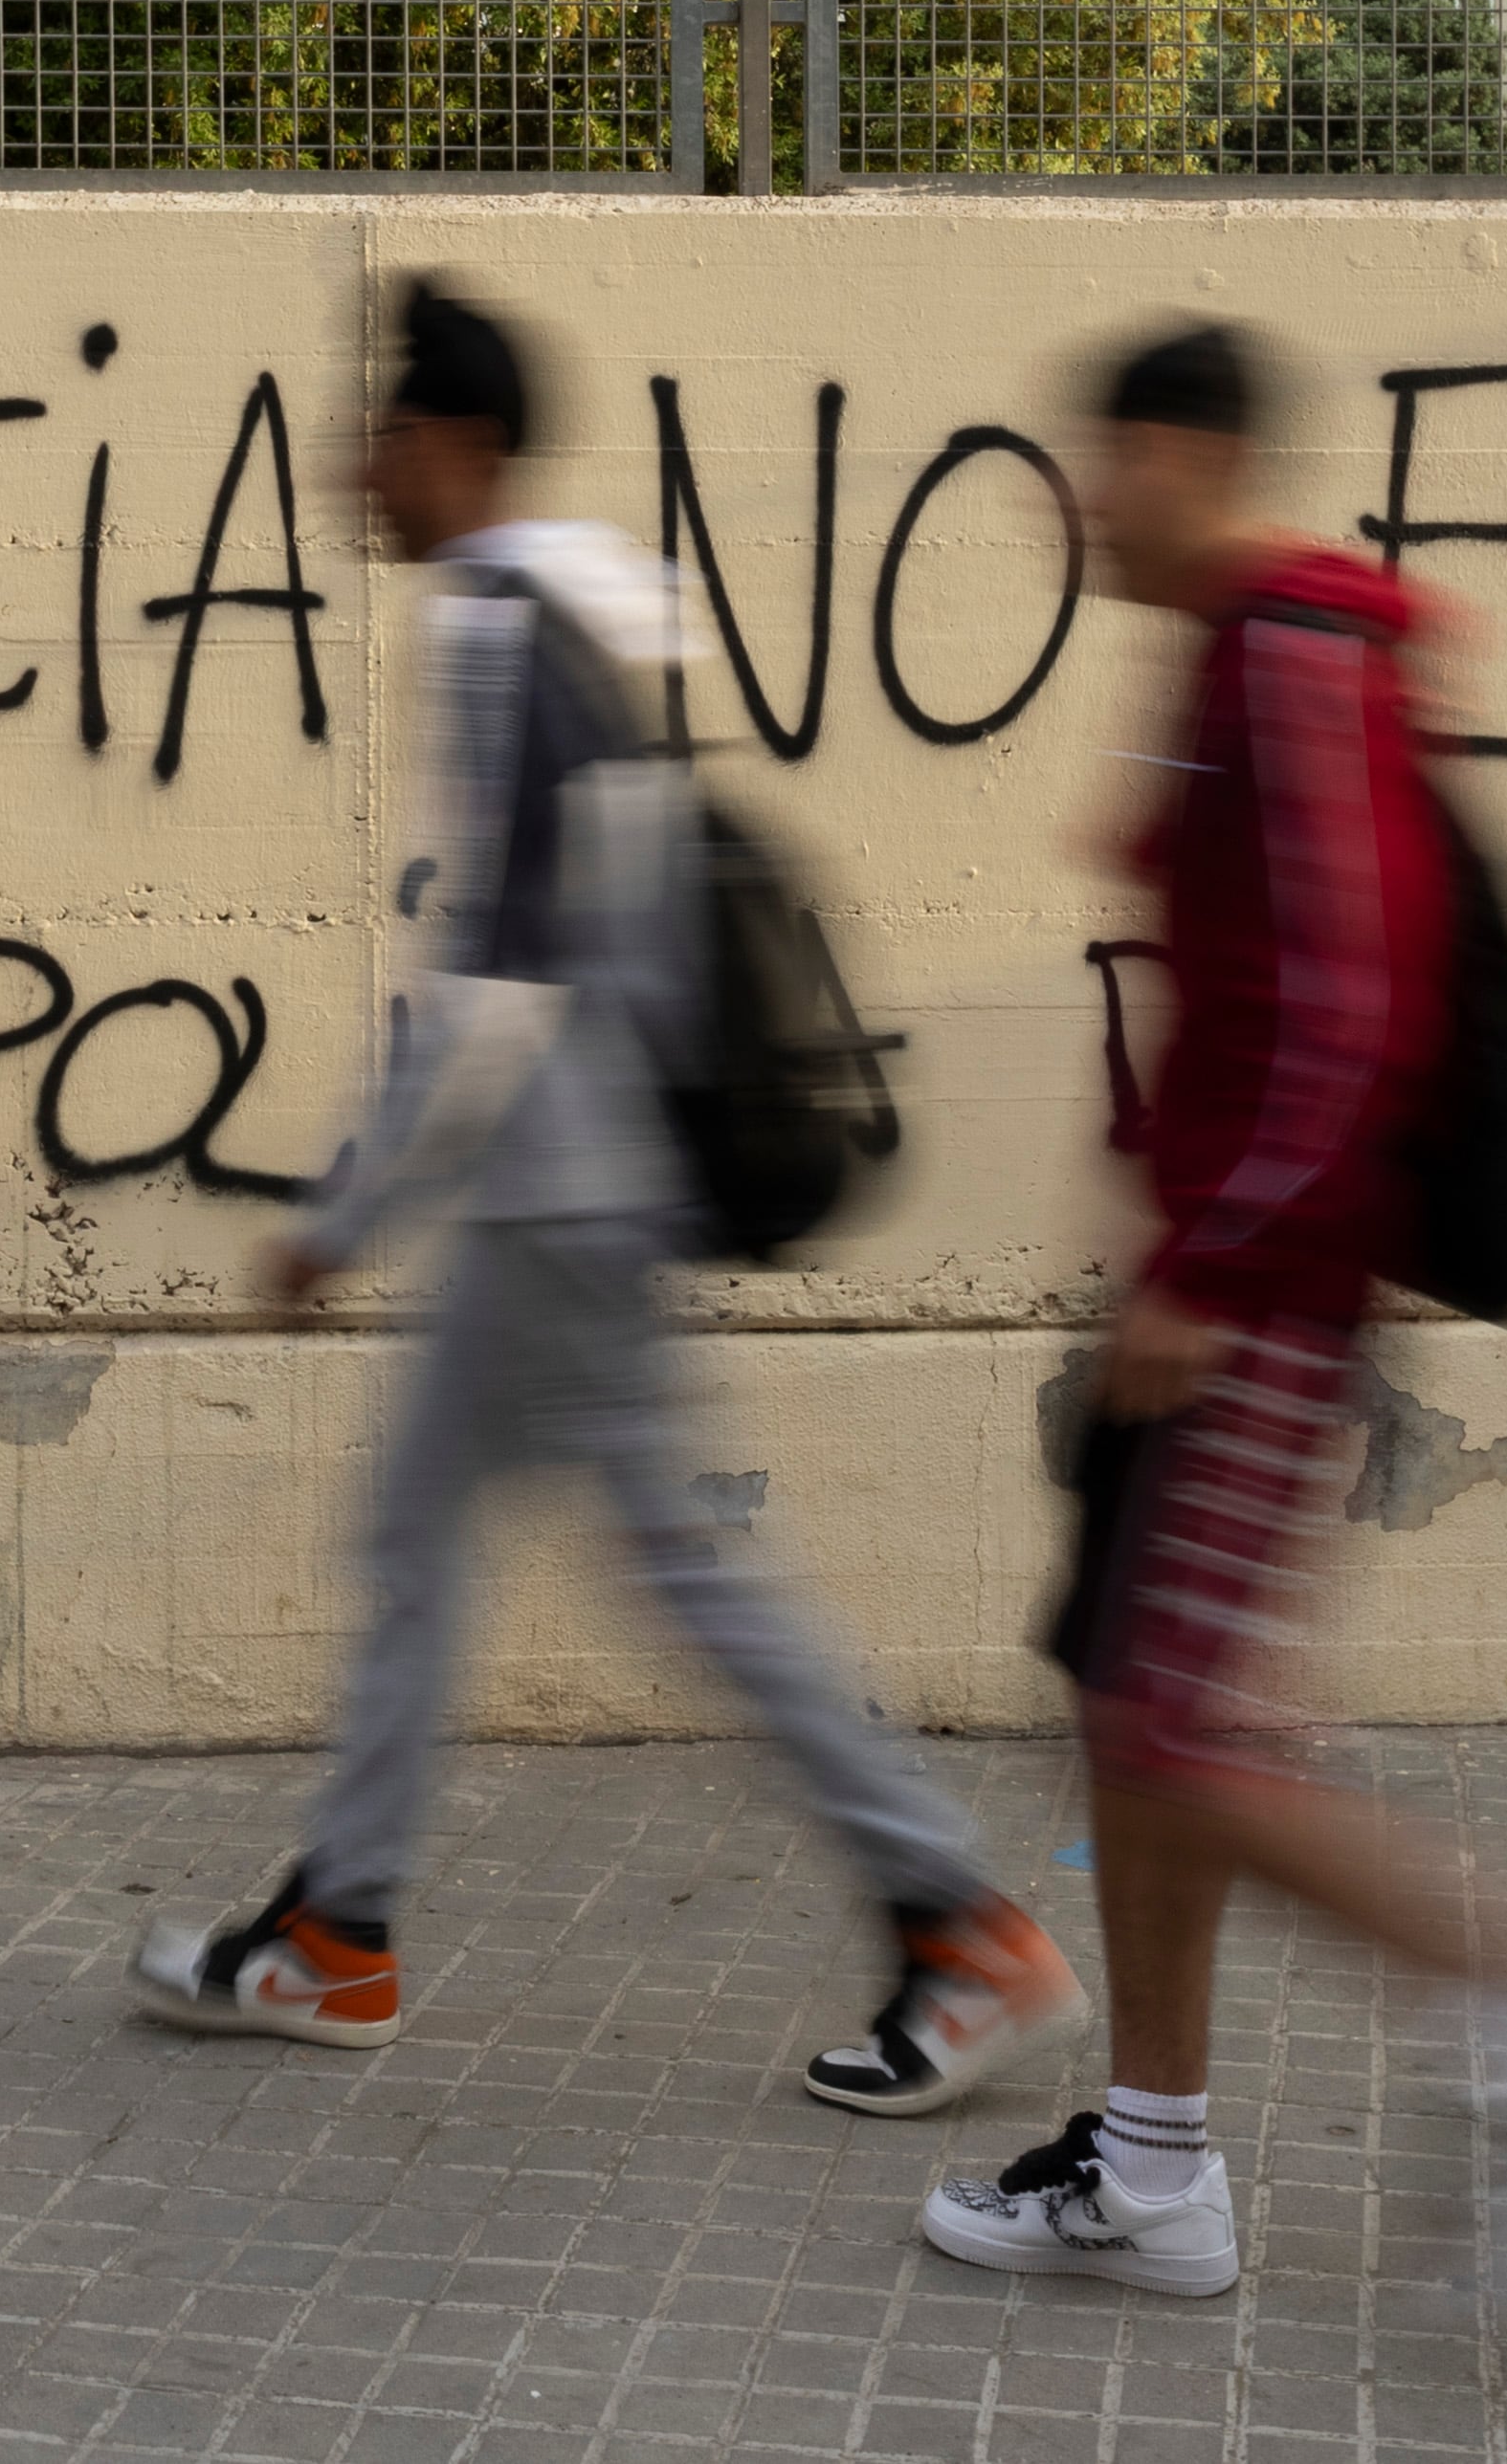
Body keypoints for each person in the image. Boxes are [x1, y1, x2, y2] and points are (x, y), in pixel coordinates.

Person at [132, 278, 1083, 2119]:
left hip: (558, 1192)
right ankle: (340, 1932)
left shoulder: (500, 629)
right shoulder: (583, 612)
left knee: (678, 1574)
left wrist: (345, 1203)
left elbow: (502, 969)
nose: (353, 460)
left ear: (457, 448)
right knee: (436, 1544)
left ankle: (956, 1918)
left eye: (381, 427)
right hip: (570, 1185)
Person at [918, 319, 1507, 2299]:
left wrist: (1218, 1268)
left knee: (1180, 1722)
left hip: (1259, 1300)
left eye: (1098, 457)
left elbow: (1351, 999)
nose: (1074, 499)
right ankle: (1147, 2165)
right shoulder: (1225, 657)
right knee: (1125, 1716)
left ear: (1178, 451)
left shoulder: (1298, 656)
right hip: (1202, 1281)